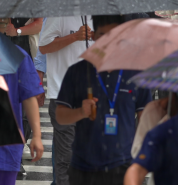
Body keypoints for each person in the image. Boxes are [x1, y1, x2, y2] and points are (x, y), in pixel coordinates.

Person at [54, 15, 150, 185]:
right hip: (83, 167)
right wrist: (80, 112)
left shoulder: (137, 73)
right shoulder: (77, 71)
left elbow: (146, 119)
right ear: (93, 37)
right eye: (102, 35)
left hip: (125, 165)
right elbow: (60, 116)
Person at [0, 0, 44, 185]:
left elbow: (29, 97)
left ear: (8, 20)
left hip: (7, 144)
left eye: (0, 24)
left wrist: (37, 136)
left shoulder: (19, 56)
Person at [38, 16, 93, 185]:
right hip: (63, 95)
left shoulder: (98, 15)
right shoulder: (59, 14)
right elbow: (43, 47)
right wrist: (74, 37)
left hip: (92, 96)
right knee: (66, 159)